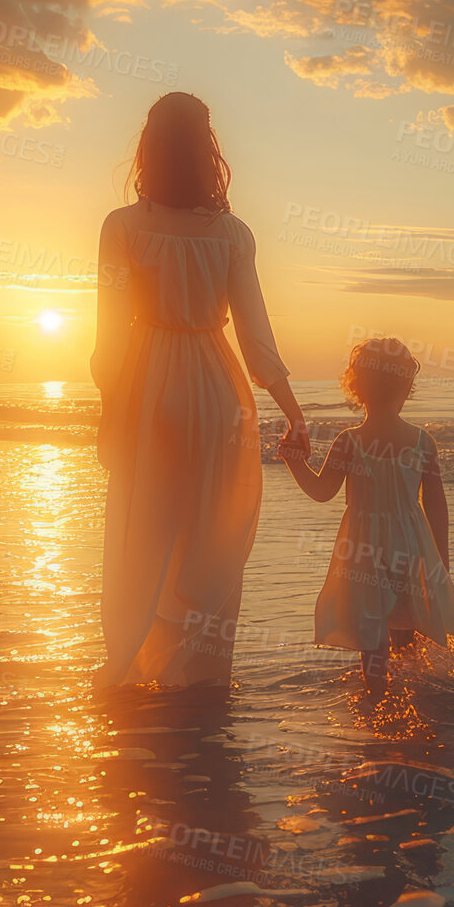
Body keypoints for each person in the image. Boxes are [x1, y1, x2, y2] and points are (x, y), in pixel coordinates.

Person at [92, 91, 306, 691]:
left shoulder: (122, 227)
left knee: (143, 529)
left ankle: (133, 665)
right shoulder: (233, 234)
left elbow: (108, 335)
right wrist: (294, 414)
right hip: (218, 389)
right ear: (209, 150)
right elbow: (257, 336)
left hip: (145, 384)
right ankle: (200, 675)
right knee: (209, 532)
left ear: (147, 147)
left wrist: (109, 410)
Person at [279, 336, 454, 691]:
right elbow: (436, 504)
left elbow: (322, 492)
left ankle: (376, 695)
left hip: (362, 547)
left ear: (356, 388)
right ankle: (409, 694)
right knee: (407, 619)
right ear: (407, 386)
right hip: (411, 541)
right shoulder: (422, 441)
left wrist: (295, 462)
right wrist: (441, 559)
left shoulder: (349, 440)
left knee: (370, 626)